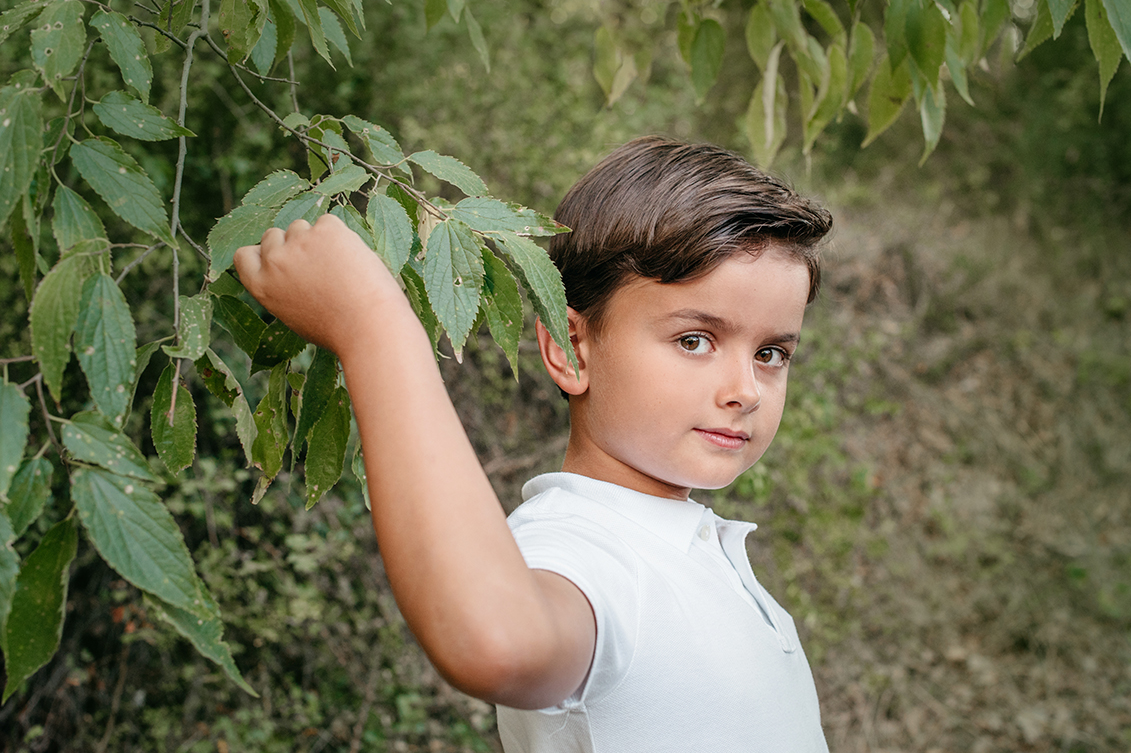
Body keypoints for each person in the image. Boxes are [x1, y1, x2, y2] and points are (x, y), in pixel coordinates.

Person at [235, 136, 833, 752]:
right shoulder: (583, 547)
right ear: (572, 348)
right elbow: (497, 643)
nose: (745, 390)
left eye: (770, 354)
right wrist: (372, 327)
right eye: (694, 340)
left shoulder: (687, 547)